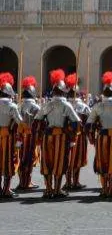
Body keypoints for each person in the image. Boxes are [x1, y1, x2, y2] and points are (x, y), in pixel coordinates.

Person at [33, 69, 80, 198]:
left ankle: (48, 189)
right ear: (63, 91)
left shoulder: (46, 104)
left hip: (47, 136)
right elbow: (76, 123)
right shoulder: (67, 105)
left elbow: (37, 121)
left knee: (47, 162)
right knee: (60, 162)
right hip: (61, 137)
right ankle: (57, 190)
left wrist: (38, 136)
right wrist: (72, 136)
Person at [64, 73, 90, 191]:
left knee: (67, 158)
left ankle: (68, 182)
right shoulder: (83, 106)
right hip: (79, 136)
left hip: (65, 136)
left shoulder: (64, 105)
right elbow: (89, 121)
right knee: (77, 159)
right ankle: (75, 181)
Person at [0, 73, 22, 198]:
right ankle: (6, 189)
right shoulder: (12, 105)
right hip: (7, 136)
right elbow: (19, 122)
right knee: (9, 161)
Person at [16, 76, 40, 190]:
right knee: (30, 158)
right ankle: (26, 182)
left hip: (20, 135)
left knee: (21, 158)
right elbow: (40, 122)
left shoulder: (19, 105)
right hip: (31, 135)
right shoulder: (36, 107)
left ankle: (22, 181)